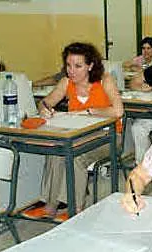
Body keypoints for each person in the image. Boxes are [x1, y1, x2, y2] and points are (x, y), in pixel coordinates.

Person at [38, 42, 124, 217]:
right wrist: (44, 110)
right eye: (68, 65)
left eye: (78, 66)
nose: (71, 71)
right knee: (56, 151)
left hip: (109, 136)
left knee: (76, 155)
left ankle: (75, 208)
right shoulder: (66, 82)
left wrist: (90, 112)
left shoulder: (105, 80)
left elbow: (118, 111)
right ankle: (51, 205)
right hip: (78, 135)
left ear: (90, 66)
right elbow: (45, 102)